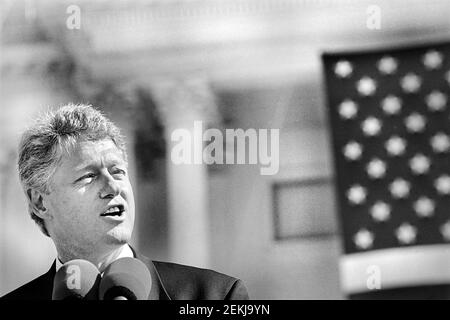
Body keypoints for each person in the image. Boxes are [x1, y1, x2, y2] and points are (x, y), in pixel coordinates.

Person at [1, 104, 249, 300]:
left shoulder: (216, 296)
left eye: (117, 171)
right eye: (88, 176)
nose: (112, 187)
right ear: (40, 202)